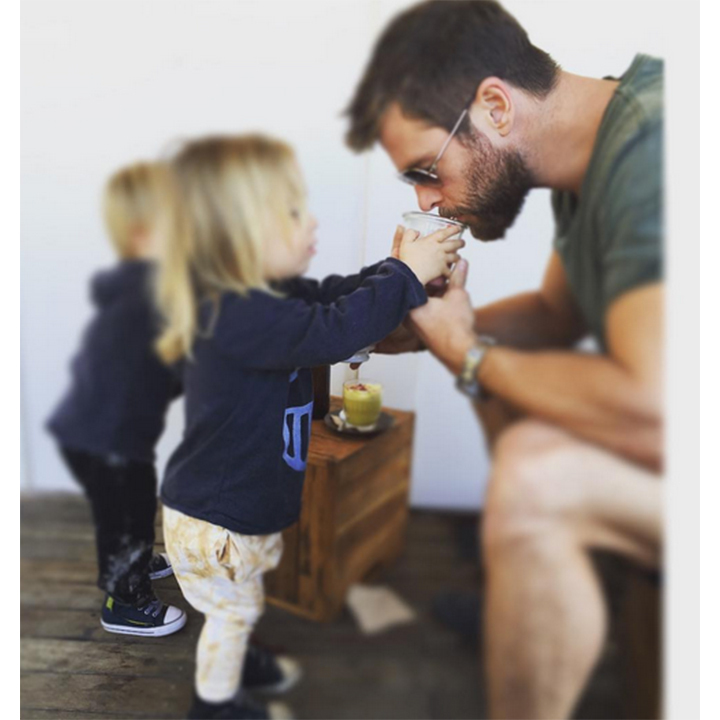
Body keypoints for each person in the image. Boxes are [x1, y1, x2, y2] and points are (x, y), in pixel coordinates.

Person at [345, 1, 663, 718]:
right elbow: (553, 315)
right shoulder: (597, 148)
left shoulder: (655, 148)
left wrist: (465, 351)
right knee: (505, 387)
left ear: (495, 105)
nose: (430, 203)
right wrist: (418, 333)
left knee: (533, 477)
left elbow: (655, 410)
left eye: (427, 170)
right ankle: (530, 600)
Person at [154, 134, 463, 720]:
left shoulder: (270, 296)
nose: (313, 220)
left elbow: (331, 299)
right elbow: (335, 330)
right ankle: (215, 704)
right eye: (293, 212)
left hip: (234, 510)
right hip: (217, 519)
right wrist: (403, 276)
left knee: (239, 604)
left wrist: (395, 270)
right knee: (233, 611)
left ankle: (234, 659)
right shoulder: (235, 312)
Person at [47, 161, 187, 637]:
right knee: (124, 514)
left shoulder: (145, 284)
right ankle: (124, 602)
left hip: (101, 429)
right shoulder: (150, 293)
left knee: (133, 504)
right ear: (142, 233)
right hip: (103, 438)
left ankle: (137, 559)